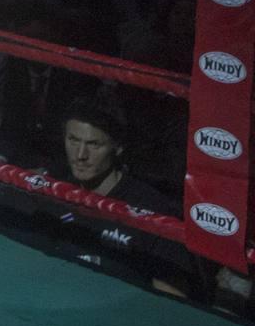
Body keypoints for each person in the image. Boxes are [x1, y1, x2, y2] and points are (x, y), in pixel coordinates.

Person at [54, 93, 198, 297]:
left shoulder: (151, 210)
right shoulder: (53, 187)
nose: (80, 155)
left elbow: (172, 299)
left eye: (94, 144)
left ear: (118, 147)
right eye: (73, 140)